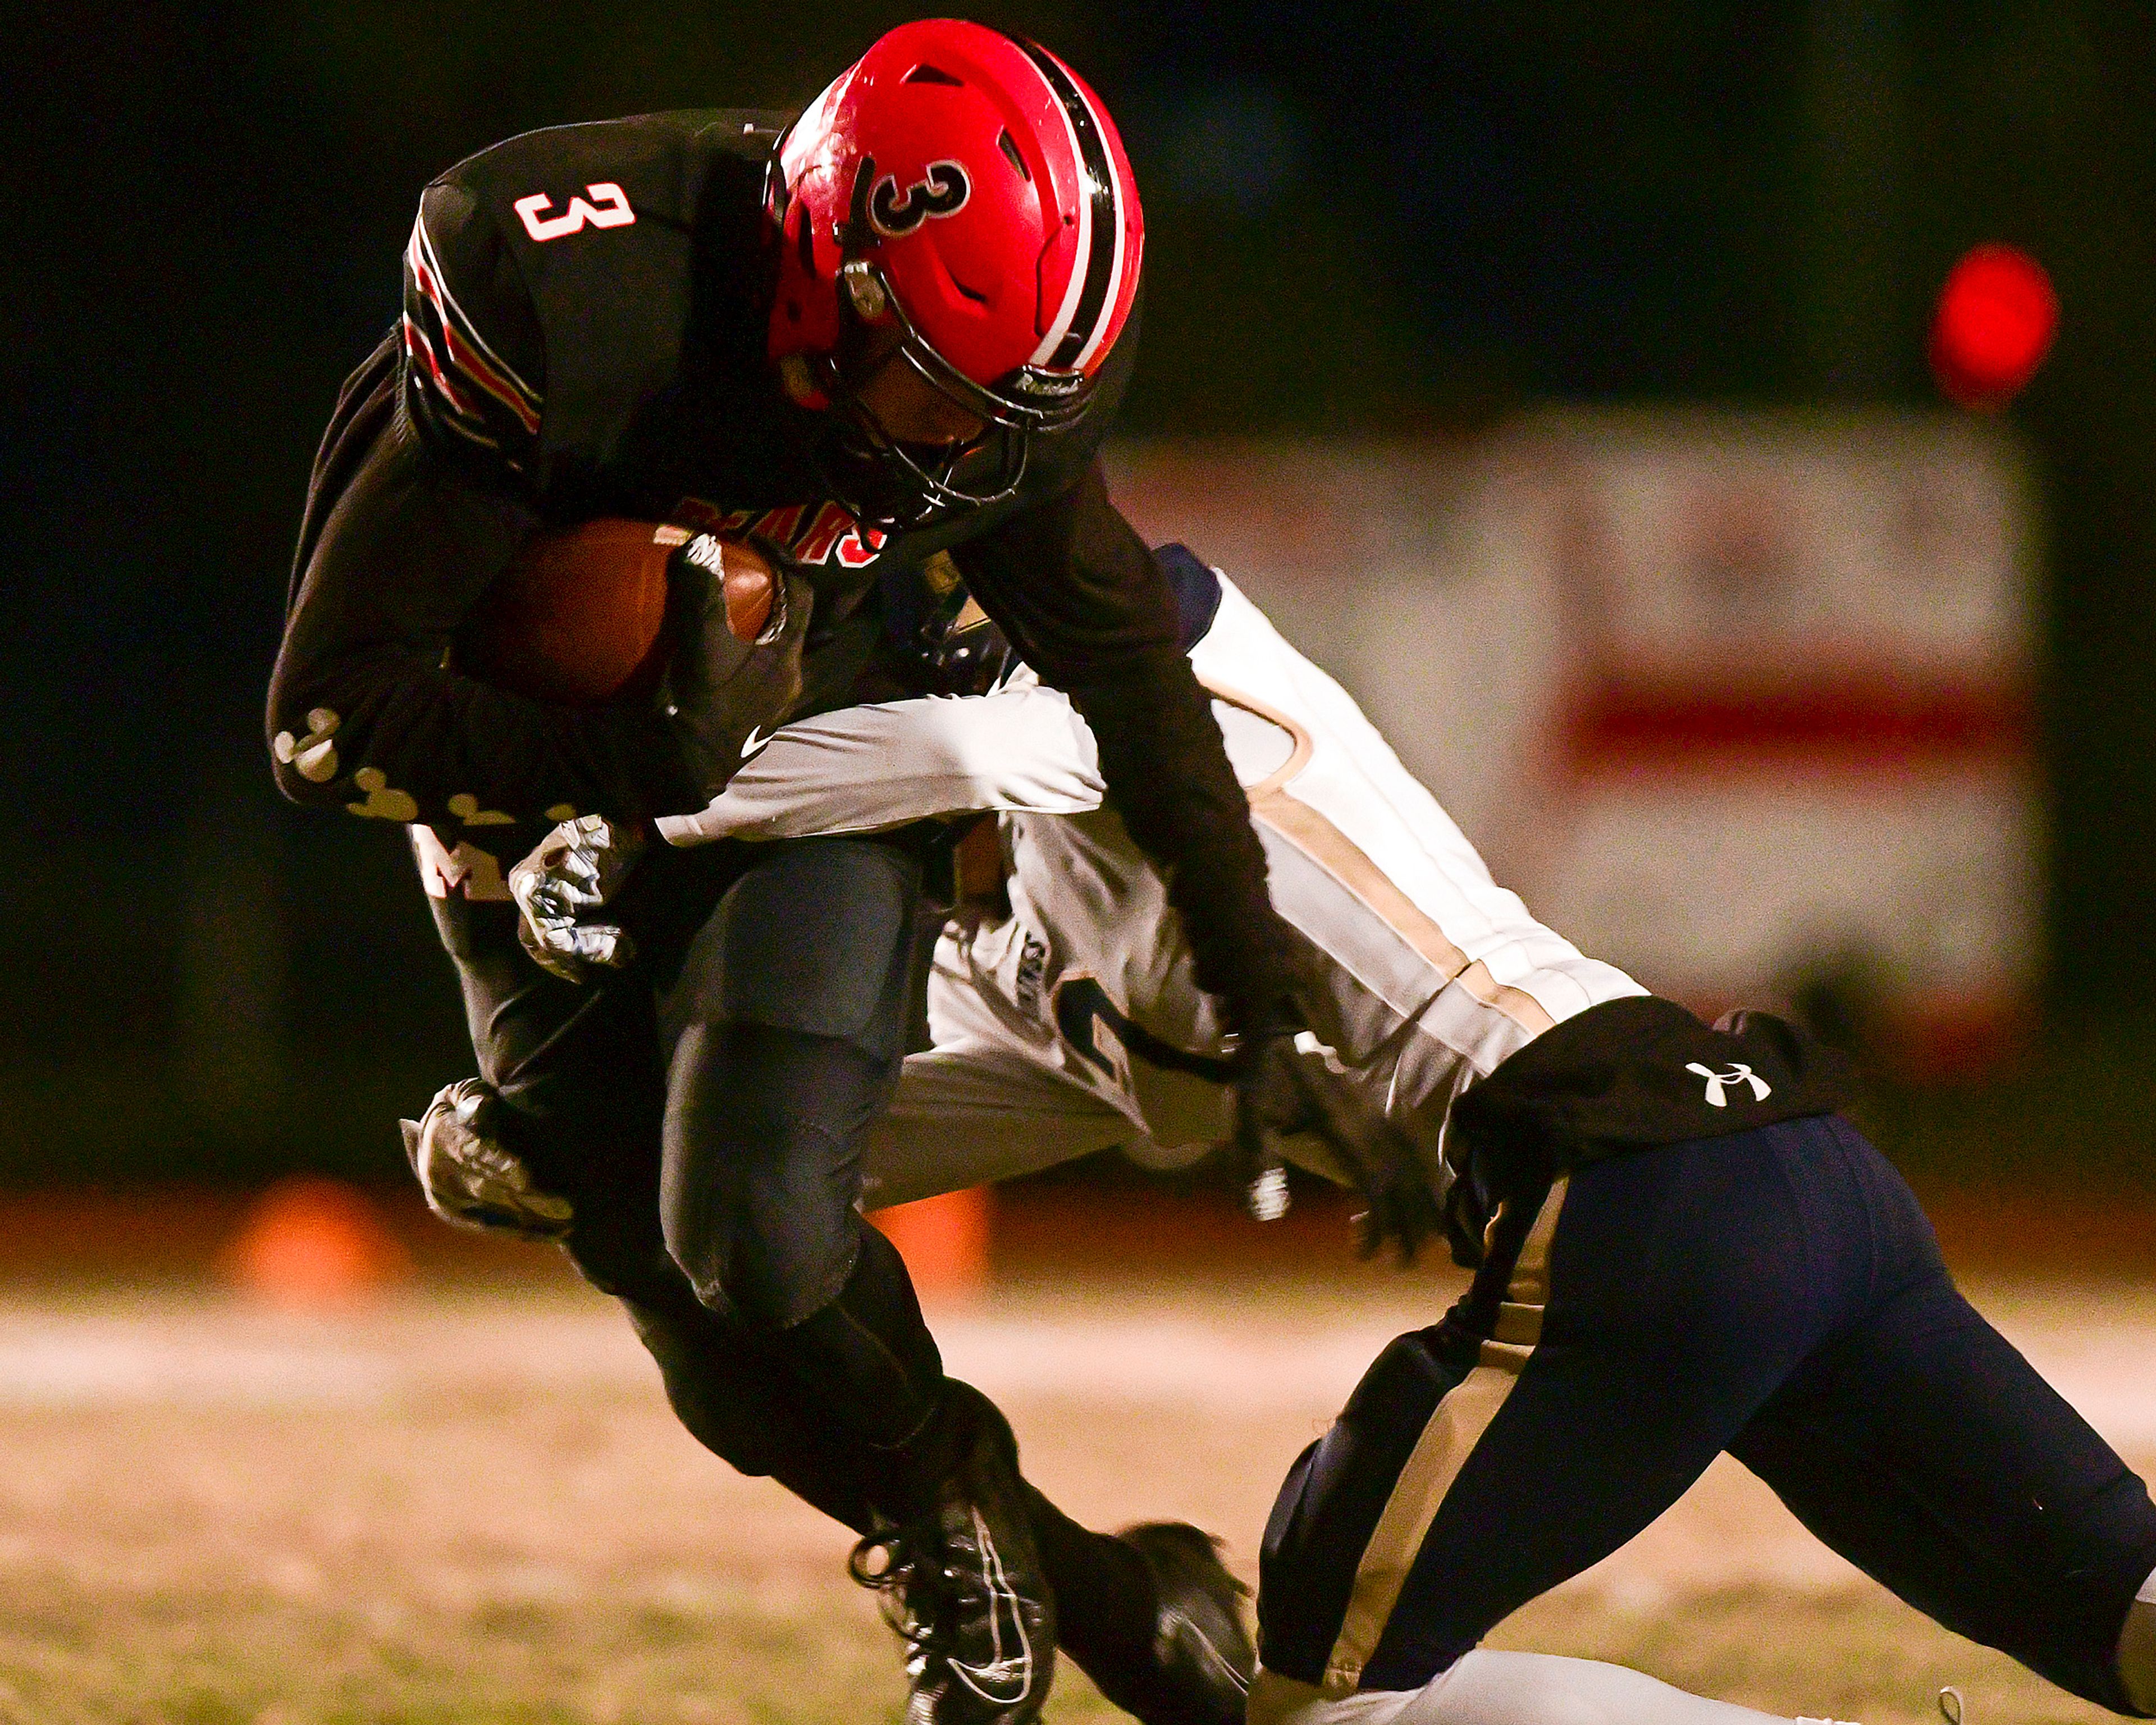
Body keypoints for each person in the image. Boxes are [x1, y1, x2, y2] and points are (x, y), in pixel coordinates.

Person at [266, 26, 1420, 1725]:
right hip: (522, 764)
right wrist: (609, 769)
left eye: (1001, 404)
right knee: (703, 1351)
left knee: (756, 1238)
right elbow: (321, 726)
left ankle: (970, 1546)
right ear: (829, 285)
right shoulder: (579, 311)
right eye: (937, 390)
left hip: (818, 712)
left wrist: (1256, 980)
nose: (962, 447)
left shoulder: (983, 405)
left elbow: (1133, 679)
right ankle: (1087, 1579)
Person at [511, 543, 2156, 1724]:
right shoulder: (1096, 912)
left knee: (1315, 1701)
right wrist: (570, 1147)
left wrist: (666, 809)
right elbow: (923, 1128)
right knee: (2114, 1607)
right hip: (1798, 1174)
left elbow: (969, 742)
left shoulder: (1153, 678)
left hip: (1632, 1195)